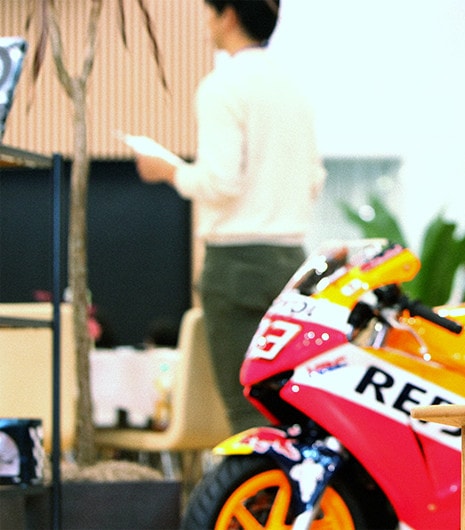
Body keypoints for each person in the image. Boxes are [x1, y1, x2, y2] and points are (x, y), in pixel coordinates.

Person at [135, 0, 326, 432]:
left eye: (209, 13)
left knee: (248, 413)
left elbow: (220, 183)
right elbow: (314, 179)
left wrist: (169, 170)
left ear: (229, 16)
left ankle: (258, 479)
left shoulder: (223, 86)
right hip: (292, 262)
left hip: (236, 263)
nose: (207, 24)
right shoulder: (294, 88)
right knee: (294, 407)